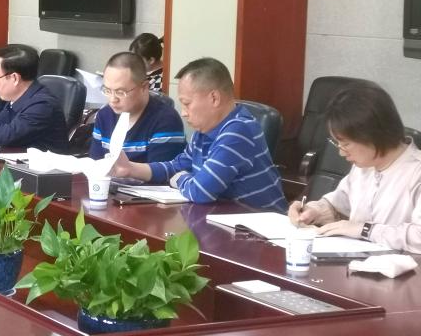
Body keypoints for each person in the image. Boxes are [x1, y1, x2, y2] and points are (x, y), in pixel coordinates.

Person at [111, 57, 286, 211]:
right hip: (226, 221)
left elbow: (200, 191)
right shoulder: (205, 131)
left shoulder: (239, 131)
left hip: (262, 228)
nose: (183, 113)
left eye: (186, 104)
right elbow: (176, 167)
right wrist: (130, 169)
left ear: (214, 98)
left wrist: (180, 179)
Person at [289, 81, 421, 253]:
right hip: (353, 262)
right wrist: (314, 211)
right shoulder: (364, 165)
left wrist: (366, 230)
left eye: (345, 144)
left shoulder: (416, 171)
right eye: (337, 143)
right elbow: (339, 205)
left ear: (374, 134)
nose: (341, 153)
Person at [89, 52, 185, 163]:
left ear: (144, 87)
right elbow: (96, 163)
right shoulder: (104, 115)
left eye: (120, 92)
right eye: (107, 90)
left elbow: (162, 171)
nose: (112, 99)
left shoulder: (166, 120)